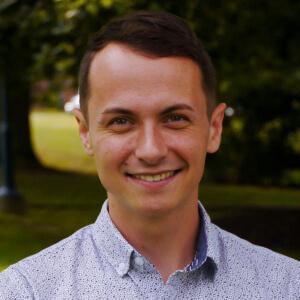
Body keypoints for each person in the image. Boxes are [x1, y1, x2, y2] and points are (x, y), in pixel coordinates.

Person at [0, 11, 299, 299]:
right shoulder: (24, 291)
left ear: (214, 128)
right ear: (85, 132)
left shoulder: (286, 287)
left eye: (175, 118)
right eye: (121, 121)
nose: (151, 150)